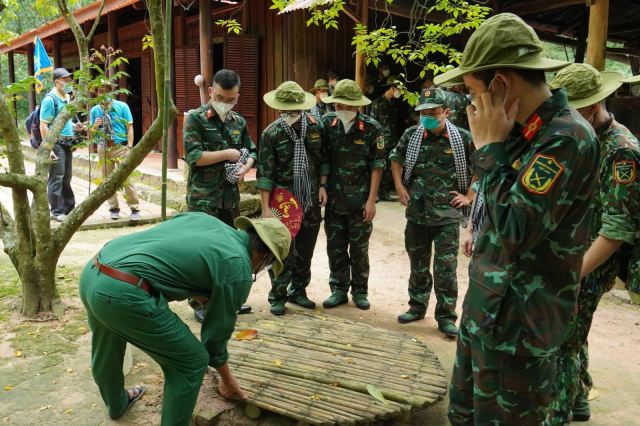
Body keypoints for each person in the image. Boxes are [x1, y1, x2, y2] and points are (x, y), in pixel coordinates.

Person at [433, 13, 599, 424]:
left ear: (501, 83)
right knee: (463, 416)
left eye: (473, 92)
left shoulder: (566, 138)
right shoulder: (518, 131)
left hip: (519, 335)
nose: (471, 104)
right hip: (484, 315)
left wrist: (489, 148)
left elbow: (514, 230)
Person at [79, 212, 291, 426]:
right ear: (266, 256)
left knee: (107, 342)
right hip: (123, 294)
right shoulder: (238, 267)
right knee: (191, 362)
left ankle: (116, 404)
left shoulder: (205, 220)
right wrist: (226, 380)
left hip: (94, 271)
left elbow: (168, 252)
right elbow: (216, 334)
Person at [548, 64, 640, 423]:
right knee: (574, 329)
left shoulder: (621, 152)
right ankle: (580, 396)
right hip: (576, 251)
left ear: (590, 107)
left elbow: (617, 230)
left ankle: (556, 413)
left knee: (562, 341)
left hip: (594, 258)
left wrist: (573, 274)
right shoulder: (589, 138)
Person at [390, 87, 473, 338]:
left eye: (432, 112)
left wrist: (469, 195)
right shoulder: (412, 135)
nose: (426, 116)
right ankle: (417, 307)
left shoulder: (463, 138)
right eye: (423, 112)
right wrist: (399, 186)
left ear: (446, 112)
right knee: (418, 264)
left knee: (445, 269)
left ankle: (447, 317)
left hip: (447, 215)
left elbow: (481, 167)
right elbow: (396, 159)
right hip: (417, 212)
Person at [183, 68, 257, 322]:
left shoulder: (239, 122)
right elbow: (194, 157)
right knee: (201, 252)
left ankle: (227, 300)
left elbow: (252, 150)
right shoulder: (195, 118)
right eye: (221, 98)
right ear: (211, 91)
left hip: (229, 200)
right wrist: (227, 154)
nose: (226, 104)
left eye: (231, 99)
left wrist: (245, 167)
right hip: (204, 199)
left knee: (229, 250)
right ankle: (200, 303)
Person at [258, 81, 329, 315]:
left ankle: (299, 291)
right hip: (283, 202)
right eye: (285, 110)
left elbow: (323, 160)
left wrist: (322, 186)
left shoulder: (317, 126)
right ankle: (277, 295)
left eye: (294, 110)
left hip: (310, 197)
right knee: (281, 250)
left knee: (306, 249)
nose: (289, 114)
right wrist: (266, 207)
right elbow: (265, 173)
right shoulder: (271, 133)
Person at [320, 79, 385, 310]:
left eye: (348, 106)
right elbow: (323, 158)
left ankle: (360, 291)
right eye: (339, 106)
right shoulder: (327, 124)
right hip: (335, 201)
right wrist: (322, 185)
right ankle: (338, 289)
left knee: (359, 250)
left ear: (358, 106)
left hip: (360, 202)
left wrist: (371, 200)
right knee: (335, 247)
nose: (343, 110)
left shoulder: (371, 128)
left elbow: (377, 165)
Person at [40, 67, 86, 222]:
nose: (68, 82)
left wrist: (75, 126)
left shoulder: (66, 97)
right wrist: (49, 147)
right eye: (65, 79)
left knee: (67, 177)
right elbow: (44, 125)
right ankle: (56, 210)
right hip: (57, 142)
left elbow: (66, 120)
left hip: (68, 141)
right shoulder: (49, 99)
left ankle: (69, 207)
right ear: (56, 81)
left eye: (69, 79)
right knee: (57, 177)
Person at [90, 79, 140, 221]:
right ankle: (114, 208)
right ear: (96, 93)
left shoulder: (122, 106)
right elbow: (92, 134)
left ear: (111, 91)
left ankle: (134, 208)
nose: (103, 94)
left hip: (121, 147)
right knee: (108, 179)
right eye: (100, 91)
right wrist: (94, 126)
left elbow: (129, 127)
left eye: (106, 90)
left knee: (127, 178)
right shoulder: (95, 110)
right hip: (103, 147)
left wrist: (130, 146)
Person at [368, 75, 402, 201]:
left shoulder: (392, 103)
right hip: (381, 140)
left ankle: (384, 192)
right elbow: (372, 123)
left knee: (388, 167)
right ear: (392, 88)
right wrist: (376, 140)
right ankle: (375, 192)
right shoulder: (378, 103)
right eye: (398, 89)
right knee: (379, 165)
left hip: (391, 140)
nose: (399, 92)